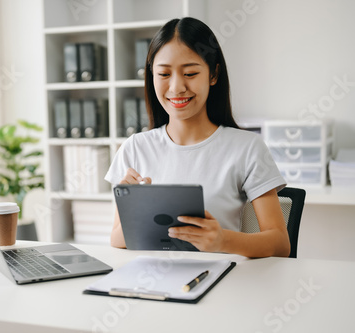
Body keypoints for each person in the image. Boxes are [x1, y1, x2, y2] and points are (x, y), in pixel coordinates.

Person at [104, 17, 290, 258]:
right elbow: (117, 240)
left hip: (219, 280)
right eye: (163, 74)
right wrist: (133, 206)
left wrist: (223, 240)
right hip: (151, 282)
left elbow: (279, 243)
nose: (176, 87)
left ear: (213, 75)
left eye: (190, 73)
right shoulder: (135, 148)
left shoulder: (247, 148)